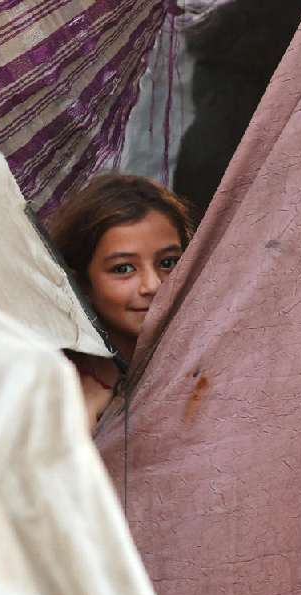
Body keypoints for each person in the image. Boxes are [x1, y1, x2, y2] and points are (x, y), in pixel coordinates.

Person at [48, 173, 194, 431]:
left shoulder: (210, 364)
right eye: (124, 268)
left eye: (168, 263)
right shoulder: (50, 388)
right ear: (81, 284)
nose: (153, 286)